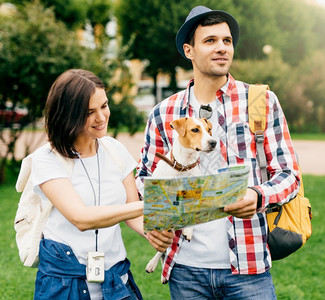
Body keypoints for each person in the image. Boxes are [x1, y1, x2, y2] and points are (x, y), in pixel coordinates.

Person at [136, 6, 300, 299]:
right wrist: (154, 222)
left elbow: (289, 176)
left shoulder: (261, 101)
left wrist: (258, 196)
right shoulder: (165, 113)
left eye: (227, 40)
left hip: (249, 268)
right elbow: (145, 178)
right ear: (189, 50)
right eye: (210, 41)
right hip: (185, 269)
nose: (222, 48)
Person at [31, 69, 173, 299]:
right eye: (89, 112)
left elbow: (131, 210)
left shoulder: (114, 150)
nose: (101, 117)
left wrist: (151, 231)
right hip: (65, 285)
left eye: (104, 106)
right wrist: (153, 205)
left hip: (116, 281)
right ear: (68, 115)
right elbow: (81, 218)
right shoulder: (46, 159)